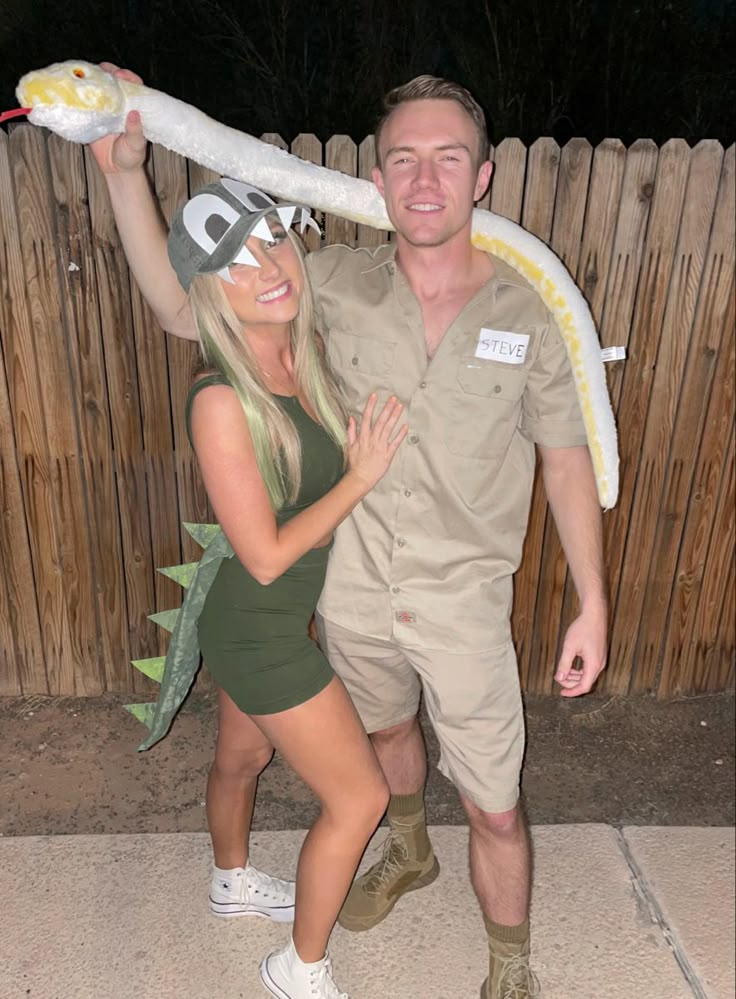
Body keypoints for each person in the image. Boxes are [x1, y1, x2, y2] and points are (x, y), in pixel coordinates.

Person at [91, 67, 608, 999]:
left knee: (495, 807)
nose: (423, 180)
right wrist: (125, 173)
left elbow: (568, 458)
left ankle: (510, 964)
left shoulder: (527, 314)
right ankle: (407, 847)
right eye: (403, 158)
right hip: (353, 598)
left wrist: (592, 601)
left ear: (481, 178)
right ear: (376, 177)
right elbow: (187, 307)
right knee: (388, 737)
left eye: (447, 159)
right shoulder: (327, 282)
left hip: (462, 604)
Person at [125, 172, 407, 999]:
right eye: (237, 262)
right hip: (261, 624)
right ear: (210, 291)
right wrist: (361, 477)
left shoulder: (292, 349)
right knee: (359, 800)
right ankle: (299, 965)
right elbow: (267, 556)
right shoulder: (221, 397)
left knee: (242, 758)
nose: (269, 265)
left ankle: (229, 877)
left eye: (272, 240)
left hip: (266, 618)